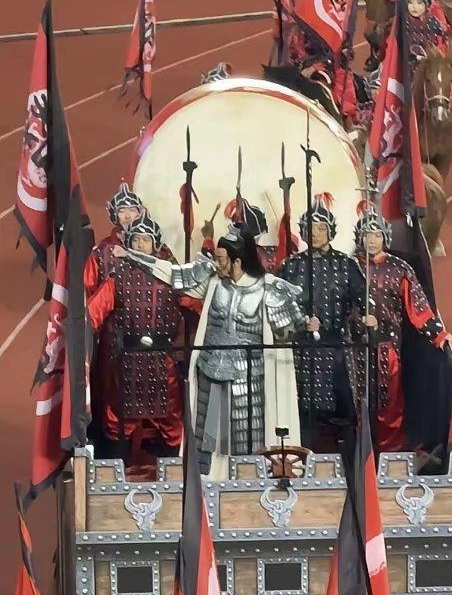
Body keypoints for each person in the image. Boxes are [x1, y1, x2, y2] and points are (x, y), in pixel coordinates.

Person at [115, 222, 309, 479]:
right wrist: (132, 256)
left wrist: (305, 325)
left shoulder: (268, 288)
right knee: (206, 438)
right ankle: (207, 481)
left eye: (221, 258)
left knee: (245, 436)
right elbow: (172, 274)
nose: (217, 263)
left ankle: (246, 482)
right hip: (209, 368)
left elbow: (288, 333)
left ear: (237, 261)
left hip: (248, 376)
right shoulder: (212, 281)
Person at [279, 194, 376, 453]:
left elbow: (364, 298)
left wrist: (368, 315)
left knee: (344, 412)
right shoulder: (290, 266)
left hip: (336, 347)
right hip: (302, 349)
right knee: (304, 413)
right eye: (311, 228)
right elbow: (278, 307)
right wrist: (300, 323)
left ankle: (347, 460)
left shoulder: (346, 265)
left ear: (330, 231)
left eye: (321, 228)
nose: (315, 233)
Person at [352, 204, 450, 452]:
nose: (372, 240)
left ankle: (390, 454)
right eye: (367, 235)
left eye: (377, 235)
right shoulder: (349, 267)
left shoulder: (399, 269)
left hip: (388, 350)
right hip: (354, 350)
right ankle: (360, 456)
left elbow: (418, 307)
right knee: (357, 403)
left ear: (385, 238)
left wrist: (439, 335)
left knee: (389, 406)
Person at [87, 213, 185, 460]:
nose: (141, 245)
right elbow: (93, 313)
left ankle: (173, 474)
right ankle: (115, 471)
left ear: (156, 244)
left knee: (171, 421)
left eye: (146, 240)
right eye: (136, 240)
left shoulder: (172, 276)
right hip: (125, 363)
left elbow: (196, 306)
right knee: (118, 422)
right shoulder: (118, 277)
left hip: (163, 363)